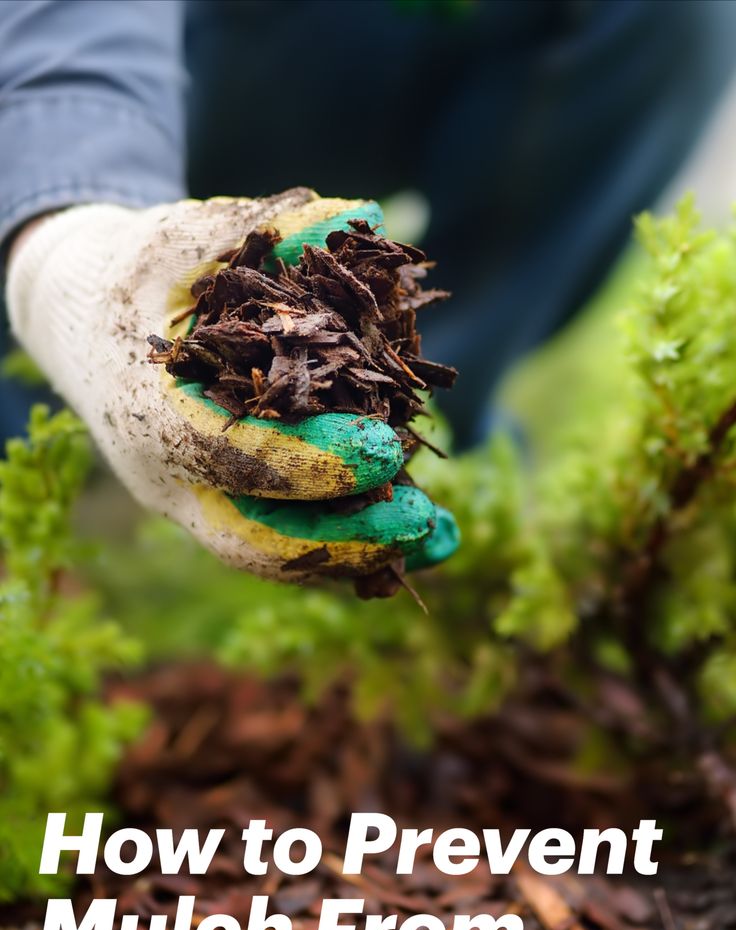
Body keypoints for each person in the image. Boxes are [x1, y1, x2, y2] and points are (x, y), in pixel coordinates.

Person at [2, 0, 735, 581]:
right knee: (55, 340)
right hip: (103, 63)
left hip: (335, 56)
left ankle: (412, 442)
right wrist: (66, 248)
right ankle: (38, 425)